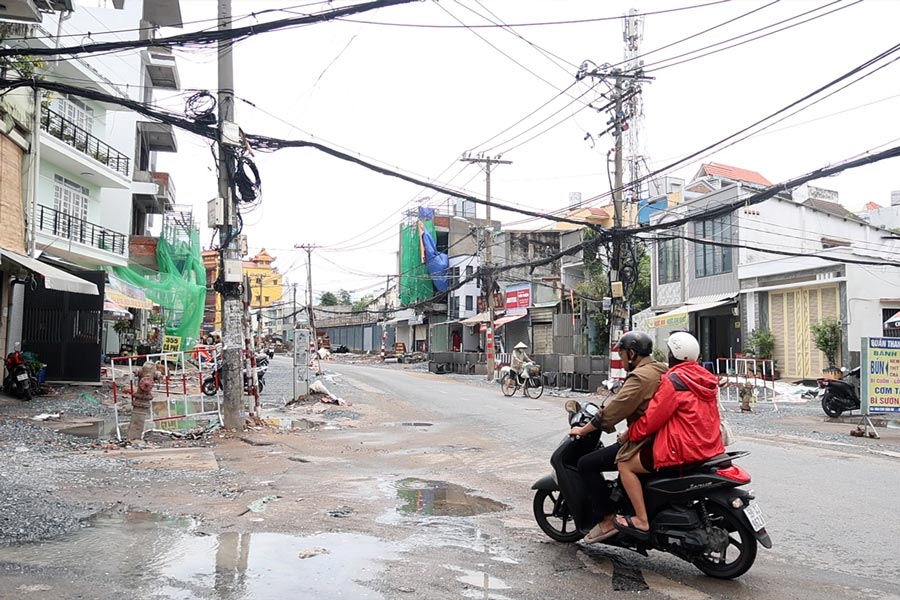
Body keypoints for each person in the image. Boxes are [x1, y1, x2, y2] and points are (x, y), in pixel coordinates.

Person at [613, 331, 725, 540]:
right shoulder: (706, 378)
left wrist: (630, 434)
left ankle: (641, 520)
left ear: (674, 355)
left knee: (625, 464)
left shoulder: (673, 381)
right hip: (709, 446)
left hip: (682, 448)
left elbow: (651, 420)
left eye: (669, 352)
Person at [569, 331, 667, 543]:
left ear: (632, 353)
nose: (621, 361)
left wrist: (583, 430)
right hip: (654, 434)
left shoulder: (640, 377)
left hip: (646, 441)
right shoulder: (660, 369)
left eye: (622, 356)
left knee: (587, 463)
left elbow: (615, 409)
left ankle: (607, 517)